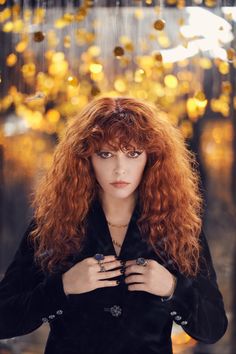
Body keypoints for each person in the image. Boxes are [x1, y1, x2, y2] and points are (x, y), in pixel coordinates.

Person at [0, 96, 228, 354]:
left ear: (151, 158)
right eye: (106, 154)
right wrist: (62, 286)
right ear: (86, 159)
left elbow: (214, 327)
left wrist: (173, 289)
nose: (120, 169)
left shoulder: (179, 227)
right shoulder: (51, 225)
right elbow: (4, 320)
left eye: (133, 154)